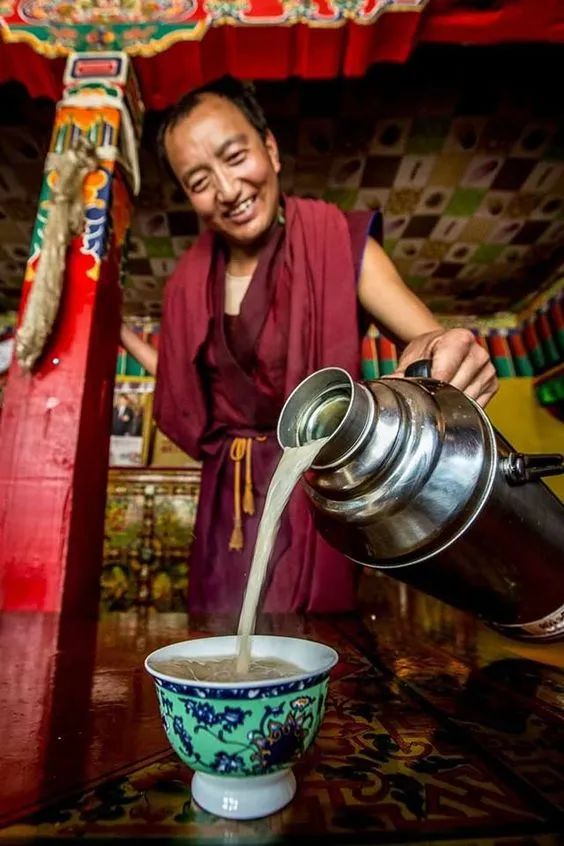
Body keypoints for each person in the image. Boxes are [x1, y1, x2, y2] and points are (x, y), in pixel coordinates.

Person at [120, 76, 498, 616]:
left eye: (235, 156)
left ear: (269, 149)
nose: (227, 190)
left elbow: (424, 336)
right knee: (220, 640)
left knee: (316, 646)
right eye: (200, 180)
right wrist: (125, 336)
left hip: (316, 484)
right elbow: (188, 392)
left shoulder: (333, 242)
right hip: (227, 502)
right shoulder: (186, 284)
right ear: (186, 194)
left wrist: (449, 349)